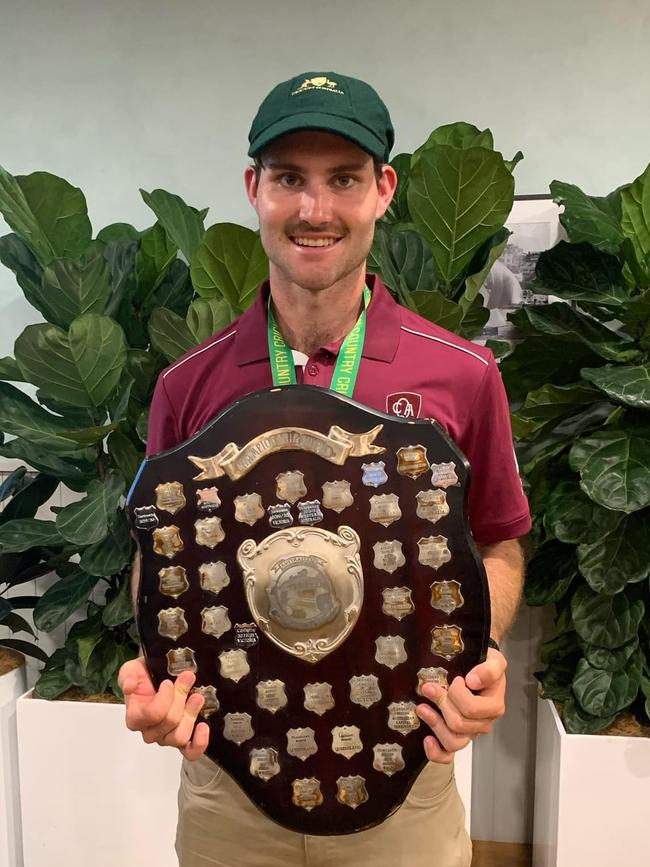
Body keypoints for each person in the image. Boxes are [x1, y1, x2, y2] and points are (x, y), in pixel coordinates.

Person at [118, 71, 531, 867]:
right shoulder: (187, 385)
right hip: (230, 777)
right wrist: (153, 669)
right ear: (254, 189)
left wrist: (476, 650)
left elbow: (499, 542)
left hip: (405, 765)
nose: (314, 210)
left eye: (342, 179)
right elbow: (158, 562)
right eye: (289, 180)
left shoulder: (464, 374)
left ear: (382, 190)